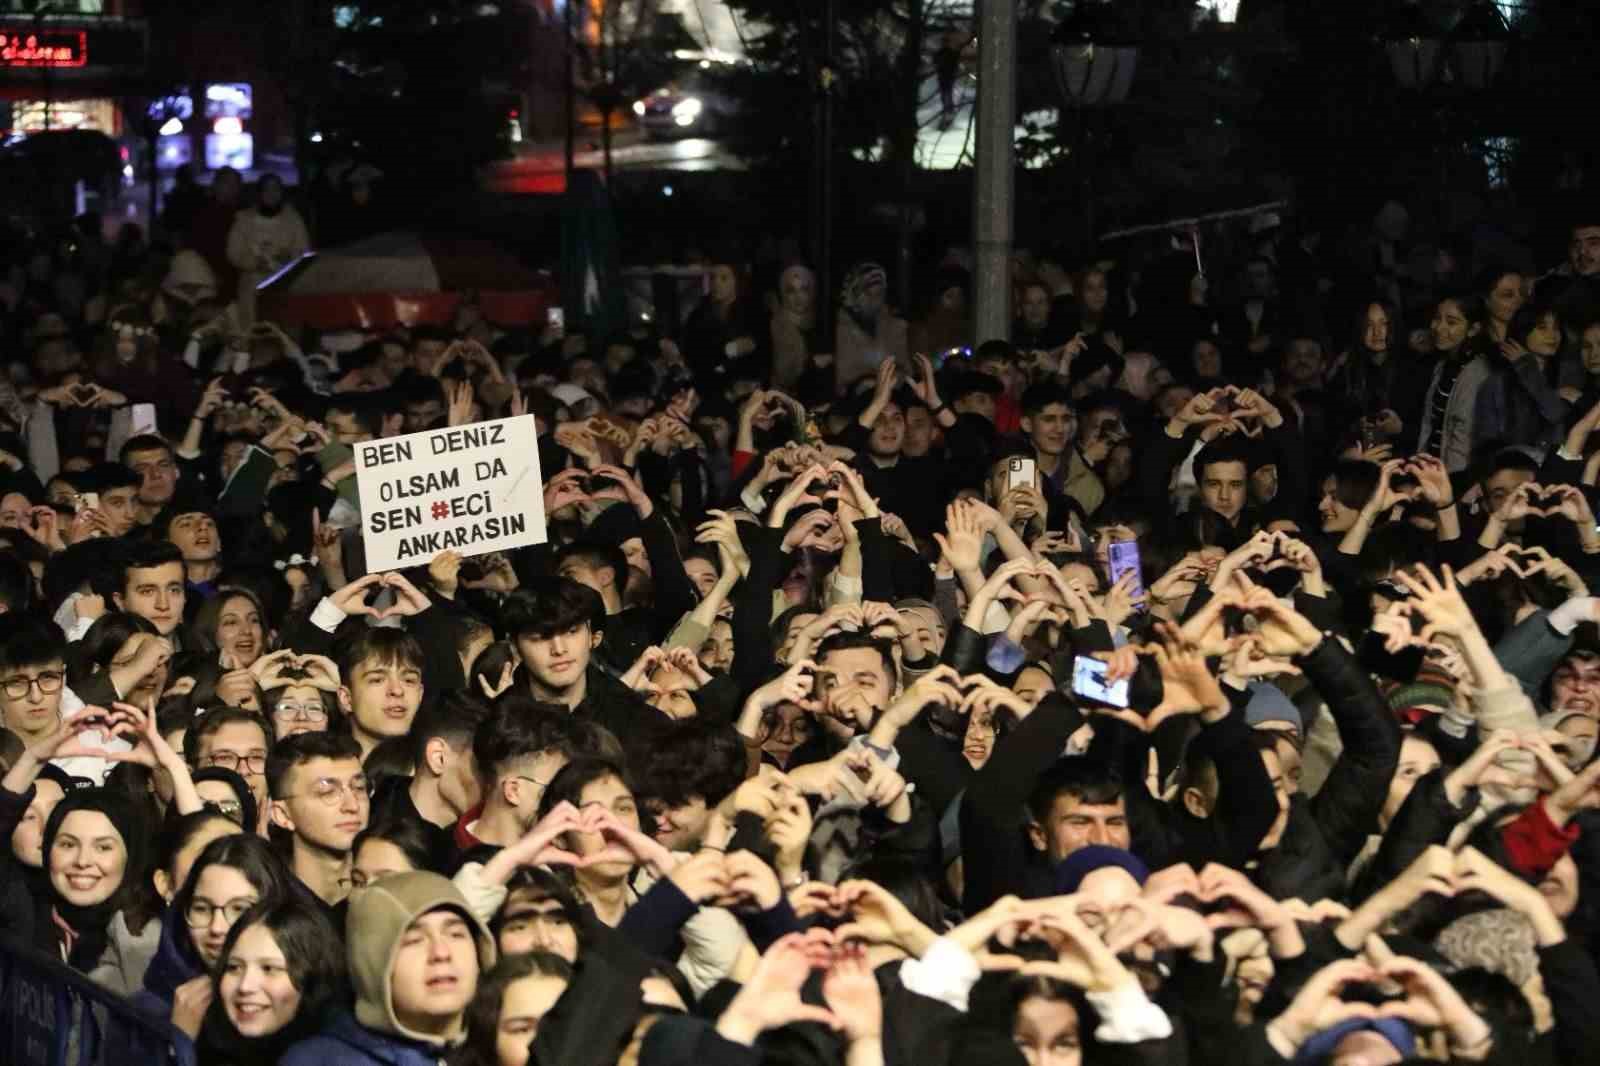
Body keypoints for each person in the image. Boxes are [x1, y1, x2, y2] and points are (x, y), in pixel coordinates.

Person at [278, 871, 494, 1066]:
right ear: (371, 964)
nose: (441, 953)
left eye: (456, 934)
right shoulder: (319, 1061)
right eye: (414, 940)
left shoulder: (505, 1046)